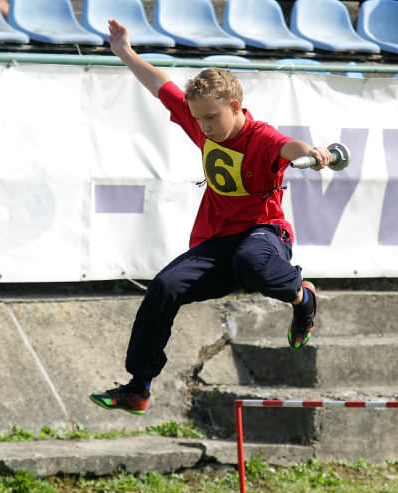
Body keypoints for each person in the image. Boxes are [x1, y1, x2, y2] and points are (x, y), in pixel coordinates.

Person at [89, 20, 331, 415]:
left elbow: (290, 146)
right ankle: (138, 387)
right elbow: (160, 86)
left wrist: (314, 153)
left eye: (211, 118)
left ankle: (303, 297)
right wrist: (125, 52)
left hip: (265, 234)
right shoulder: (201, 123)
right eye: (198, 119)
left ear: (235, 108)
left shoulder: (260, 136)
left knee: (251, 261)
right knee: (164, 287)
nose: (204, 127)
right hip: (219, 242)